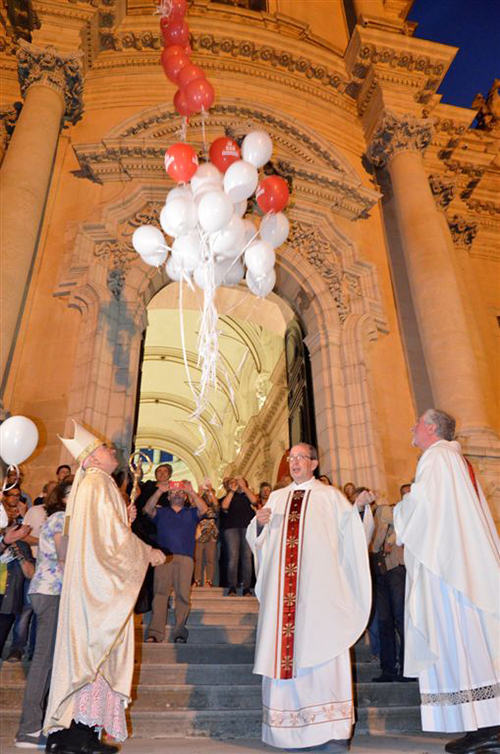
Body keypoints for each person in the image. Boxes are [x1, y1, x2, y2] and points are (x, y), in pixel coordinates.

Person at [43, 421, 166, 753]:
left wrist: (123, 520)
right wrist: (146, 551)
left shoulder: (94, 485)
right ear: (92, 459)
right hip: (98, 589)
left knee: (94, 657)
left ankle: (83, 737)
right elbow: (110, 540)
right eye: (104, 448)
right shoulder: (98, 484)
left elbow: (102, 533)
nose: (111, 451)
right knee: (95, 655)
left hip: (92, 585)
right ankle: (74, 738)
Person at [246, 443, 372, 751]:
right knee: (288, 656)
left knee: (323, 652)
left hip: (320, 594)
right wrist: (259, 526)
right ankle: (288, 732)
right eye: (291, 458)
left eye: (301, 457)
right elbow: (258, 542)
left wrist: (358, 509)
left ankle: (330, 731)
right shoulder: (276, 498)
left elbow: (351, 534)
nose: (294, 462)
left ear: (314, 463)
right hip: (283, 599)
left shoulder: (330, 497)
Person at [394, 409, 500, 754]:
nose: (412, 428)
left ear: (431, 428)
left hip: (449, 570)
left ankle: (490, 729)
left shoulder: (437, 458)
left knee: (463, 643)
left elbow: (423, 509)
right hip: (460, 564)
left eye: (417, 423)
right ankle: (479, 725)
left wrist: (402, 507)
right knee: (468, 645)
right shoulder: (455, 460)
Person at [14, 481, 71, 748]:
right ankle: (28, 729)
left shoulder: (61, 518)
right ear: (65, 497)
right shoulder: (61, 517)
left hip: (49, 591)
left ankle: (40, 723)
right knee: (43, 660)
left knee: (47, 660)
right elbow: (63, 555)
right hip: (51, 592)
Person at [145, 482, 207, 643]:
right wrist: (159, 491)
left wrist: (192, 492)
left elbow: (204, 510)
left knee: (183, 596)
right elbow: (147, 509)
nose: (177, 494)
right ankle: (156, 632)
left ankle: (179, 631)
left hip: (186, 558)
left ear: (185, 497)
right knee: (160, 595)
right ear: (168, 496)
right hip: (164, 558)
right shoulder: (161, 512)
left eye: (181, 492)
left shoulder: (192, 512)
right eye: (173, 492)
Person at [370, 488, 408, 683]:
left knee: (401, 620)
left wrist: (389, 539)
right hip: (380, 572)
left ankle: (406, 669)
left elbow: (399, 523)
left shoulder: (384, 510)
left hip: (395, 570)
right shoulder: (368, 518)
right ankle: (388, 669)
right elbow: (374, 545)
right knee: (384, 622)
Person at [221, 476, 257, 596]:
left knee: (247, 557)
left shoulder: (248, 495)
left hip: (247, 527)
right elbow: (224, 506)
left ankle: (247, 587)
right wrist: (232, 490)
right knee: (233, 557)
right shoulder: (229, 496)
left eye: (238, 482)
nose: (236, 483)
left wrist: (244, 488)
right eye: (233, 482)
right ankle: (232, 586)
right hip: (231, 528)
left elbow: (255, 501)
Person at [194, 480, 219, 587]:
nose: (208, 495)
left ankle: (209, 580)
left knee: (210, 558)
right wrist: (199, 492)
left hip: (211, 531)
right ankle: (197, 580)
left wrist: (210, 490)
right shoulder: (199, 504)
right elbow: (193, 504)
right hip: (199, 530)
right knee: (198, 558)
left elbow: (216, 505)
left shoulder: (213, 505)